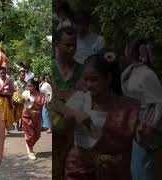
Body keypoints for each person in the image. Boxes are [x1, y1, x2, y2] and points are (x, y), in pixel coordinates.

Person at [55, 50, 140, 180]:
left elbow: (143, 137)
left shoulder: (128, 107)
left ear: (108, 78)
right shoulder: (80, 100)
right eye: (86, 79)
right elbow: (65, 124)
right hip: (79, 170)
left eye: (94, 80)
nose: (89, 84)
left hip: (115, 172)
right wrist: (74, 115)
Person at [122, 38, 162, 180]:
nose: (125, 51)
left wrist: (151, 127)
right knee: (136, 169)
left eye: (128, 48)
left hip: (145, 128)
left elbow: (159, 102)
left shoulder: (147, 74)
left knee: (143, 170)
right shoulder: (132, 72)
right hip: (135, 126)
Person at [52, 25, 83, 180]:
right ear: (57, 44)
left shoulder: (82, 71)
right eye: (67, 45)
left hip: (75, 134)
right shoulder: (49, 67)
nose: (71, 49)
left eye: (74, 45)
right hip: (53, 133)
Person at [21, 78, 45, 160]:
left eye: (30, 86)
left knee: (37, 135)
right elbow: (19, 98)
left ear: (35, 86)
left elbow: (43, 105)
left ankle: (29, 144)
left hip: (37, 117)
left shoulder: (41, 95)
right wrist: (23, 98)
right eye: (28, 86)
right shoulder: (25, 93)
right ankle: (31, 151)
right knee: (31, 135)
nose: (28, 88)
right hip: (27, 116)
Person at [0, 67, 15, 131]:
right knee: (1, 115)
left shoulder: (10, 80)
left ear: (6, 73)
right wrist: (4, 85)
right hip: (1, 99)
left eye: (4, 72)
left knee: (8, 115)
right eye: (1, 73)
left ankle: (6, 127)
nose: (3, 74)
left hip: (8, 99)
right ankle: (2, 128)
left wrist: (10, 85)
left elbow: (12, 91)